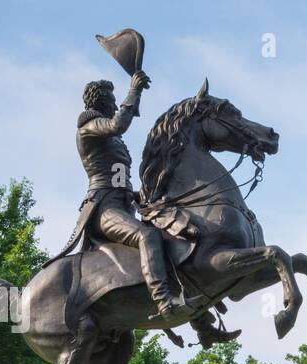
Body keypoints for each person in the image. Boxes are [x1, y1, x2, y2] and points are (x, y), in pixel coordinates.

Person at [65, 74, 204, 326]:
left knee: (168, 237)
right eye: (111, 100)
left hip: (123, 205)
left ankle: (201, 322)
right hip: (104, 208)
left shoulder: (110, 140)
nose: (115, 105)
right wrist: (134, 91)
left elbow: (119, 178)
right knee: (147, 236)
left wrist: (144, 196)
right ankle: (164, 302)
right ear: (100, 102)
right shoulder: (89, 128)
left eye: (116, 100)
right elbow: (119, 124)